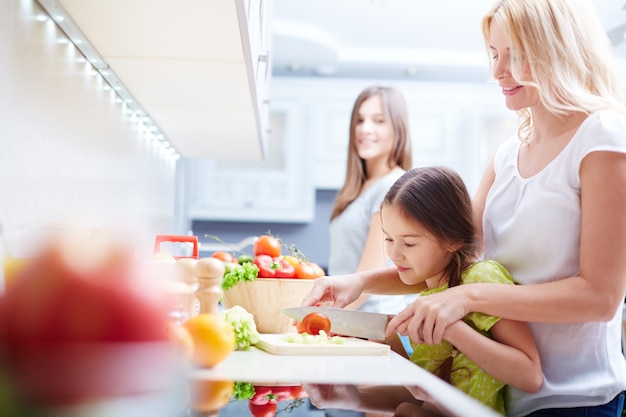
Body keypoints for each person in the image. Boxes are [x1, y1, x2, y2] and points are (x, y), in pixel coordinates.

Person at [303, 1, 626, 416]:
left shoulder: (602, 138)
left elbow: (599, 297)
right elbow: (452, 257)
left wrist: (467, 298)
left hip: (575, 401)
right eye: (494, 55)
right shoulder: (508, 155)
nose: (497, 72)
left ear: (558, 50)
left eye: (515, 55)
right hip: (505, 401)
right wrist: (360, 282)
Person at [328, 85, 413, 315]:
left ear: (398, 129)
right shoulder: (357, 187)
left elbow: (367, 277)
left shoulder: (392, 186)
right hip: (349, 318)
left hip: (370, 323)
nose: (365, 129)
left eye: (378, 121)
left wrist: (327, 319)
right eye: (359, 120)